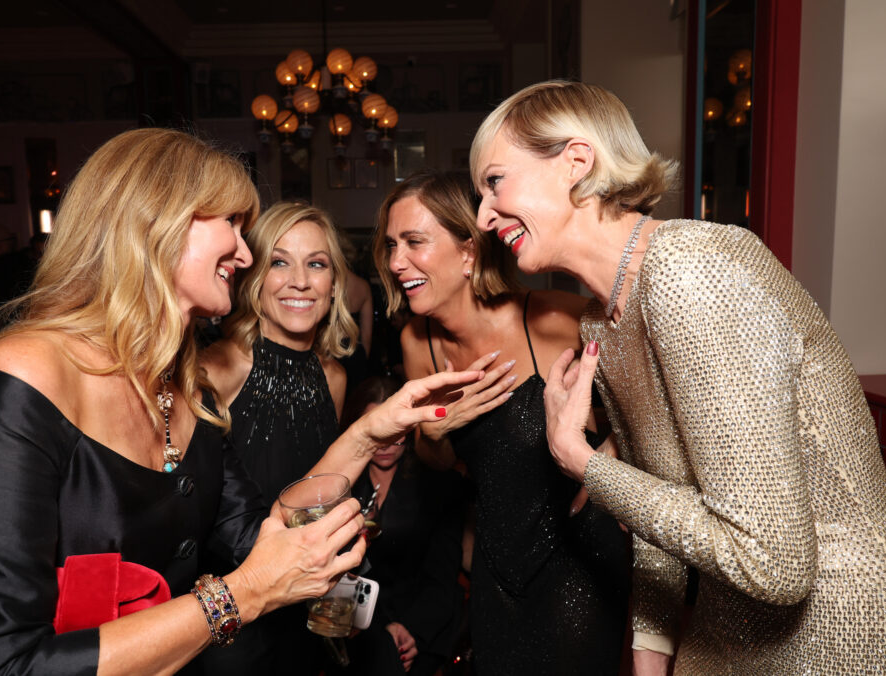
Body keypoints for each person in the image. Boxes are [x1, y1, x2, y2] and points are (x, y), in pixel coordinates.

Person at [0, 128, 480, 675]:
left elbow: (253, 532)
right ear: (156, 224)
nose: (244, 254)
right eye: (232, 226)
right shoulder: (26, 371)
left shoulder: (182, 384)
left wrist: (372, 430)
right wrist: (243, 596)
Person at [471, 80, 886, 675]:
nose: (482, 217)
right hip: (726, 632)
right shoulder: (600, 322)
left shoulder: (692, 271)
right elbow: (663, 515)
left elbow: (774, 562)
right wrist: (650, 655)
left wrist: (579, 459)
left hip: (847, 637)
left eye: (495, 181)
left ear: (577, 161)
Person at [372, 169, 630, 675]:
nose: (396, 262)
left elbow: (657, 374)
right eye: (391, 245)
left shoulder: (553, 322)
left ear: (469, 251)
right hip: (496, 569)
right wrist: (433, 434)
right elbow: (438, 462)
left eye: (414, 242)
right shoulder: (416, 343)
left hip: (578, 565)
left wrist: (611, 455)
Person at [199, 201, 356, 674]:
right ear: (254, 277)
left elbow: (321, 490)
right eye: (280, 262)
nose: (300, 281)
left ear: (334, 283)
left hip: (309, 606)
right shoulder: (215, 369)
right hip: (233, 614)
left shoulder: (334, 377)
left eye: (317, 264)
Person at [338, 377, 466, 676]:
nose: (385, 444)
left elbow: (443, 575)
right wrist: (379, 628)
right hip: (354, 624)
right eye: (376, 429)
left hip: (421, 623)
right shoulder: (340, 484)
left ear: (410, 428)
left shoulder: (436, 486)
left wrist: (411, 630)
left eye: (395, 432)